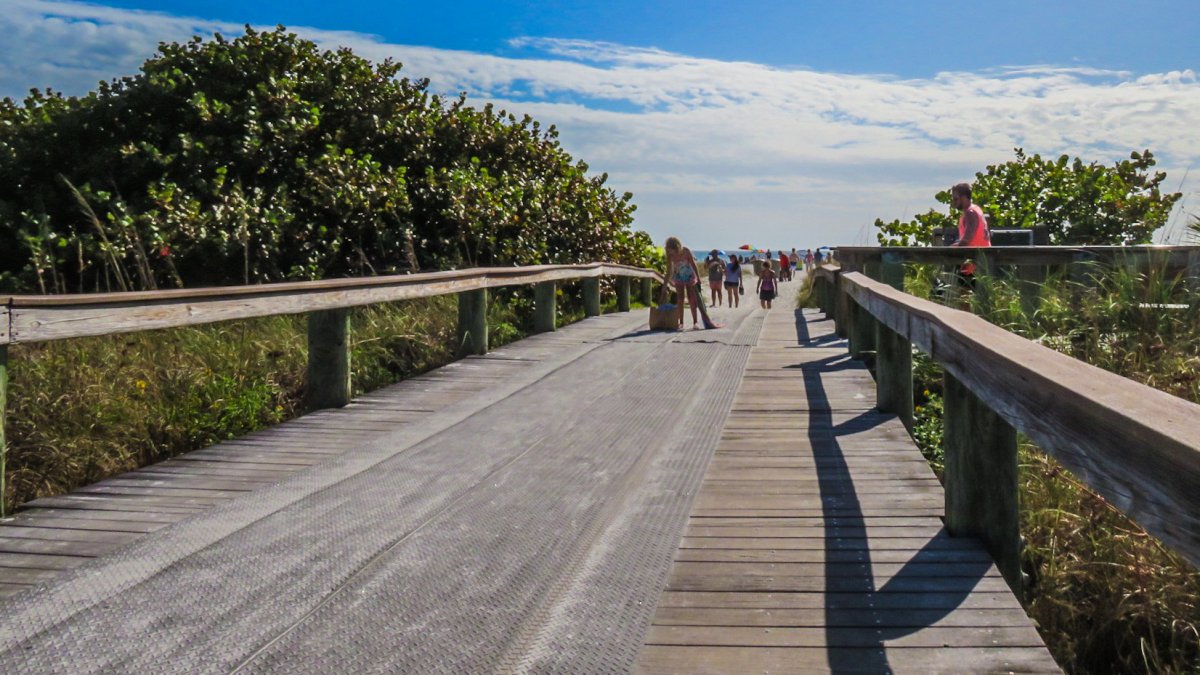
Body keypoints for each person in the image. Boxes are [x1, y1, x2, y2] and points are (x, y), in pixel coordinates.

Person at [949, 182, 991, 283]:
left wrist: (950, 250)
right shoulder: (977, 209)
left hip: (971, 264)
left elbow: (967, 239)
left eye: (956, 199)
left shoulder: (970, 213)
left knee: (965, 294)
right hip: (982, 261)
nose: (954, 202)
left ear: (963, 197)